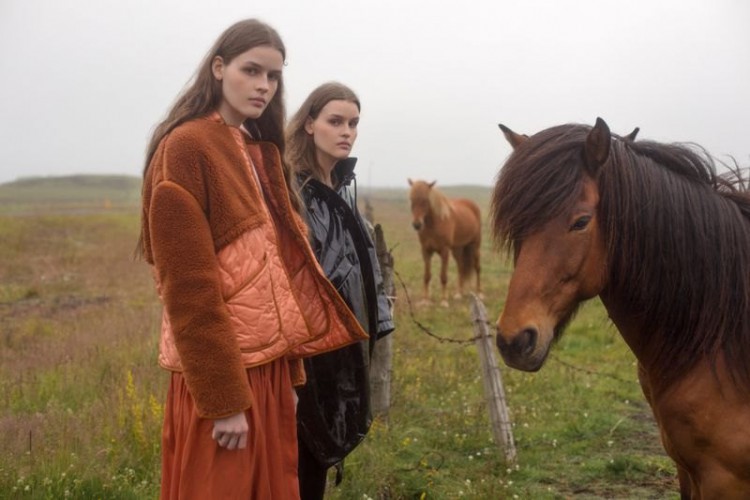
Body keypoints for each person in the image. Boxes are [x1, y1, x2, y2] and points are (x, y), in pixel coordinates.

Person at [137, 21, 368, 499]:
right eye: (252, 70)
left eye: (274, 76)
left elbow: (281, 276)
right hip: (224, 375)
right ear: (219, 68)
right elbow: (188, 288)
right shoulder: (187, 147)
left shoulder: (257, 151)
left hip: (269, 371)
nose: (264, 85)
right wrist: (223, 401)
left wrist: (290, 377)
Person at [285, 82, 395, 499]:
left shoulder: (340, 189)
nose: (346, 132)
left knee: (315, 467)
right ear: (309, 124)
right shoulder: (293, 192)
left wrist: (377, 323)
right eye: (335, 121)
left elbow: (362, 268)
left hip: (345, 350)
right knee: (300, 465)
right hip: (306, 358)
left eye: (353, 123)